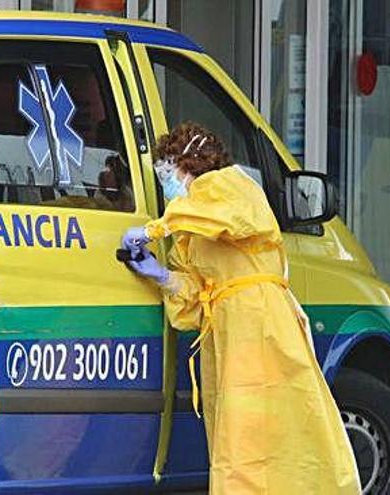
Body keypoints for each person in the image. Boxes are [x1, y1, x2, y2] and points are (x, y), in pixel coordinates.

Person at [120, 122, 361, 495]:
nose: (167, 184)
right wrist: (162, 275)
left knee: (275, 433)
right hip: (229, 332)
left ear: (190, 164)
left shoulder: (230, 186)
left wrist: (156, 229)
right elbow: (195, 302)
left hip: (261, 323)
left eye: (168, 173)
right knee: (237, 444)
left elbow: (228, 220)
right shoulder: (189, 227)